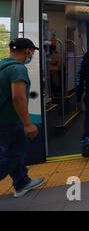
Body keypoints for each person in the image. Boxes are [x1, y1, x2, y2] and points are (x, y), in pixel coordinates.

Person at [0, 38, 45, 198]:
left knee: (10, 152)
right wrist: (28, 124)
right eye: (32, 52)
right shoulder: (18, 69)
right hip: (9, 121)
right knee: (13, 154)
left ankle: (22, 182)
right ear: (27, 51)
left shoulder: (2, 64)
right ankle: (22, 182)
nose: (32, 55)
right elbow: (18, 98)